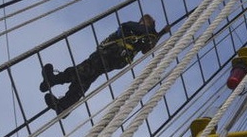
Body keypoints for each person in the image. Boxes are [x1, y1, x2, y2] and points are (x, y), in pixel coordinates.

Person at [41, 15, 169, 113]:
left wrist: (157, 33)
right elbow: (145, 45)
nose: (143, 23)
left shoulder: (142, 32)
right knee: (86, 78)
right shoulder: (143, 33)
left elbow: (137, 38)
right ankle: (64, 106)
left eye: (144, 22)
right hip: (117, 58)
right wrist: (159, 33)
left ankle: (53, 80)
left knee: (85, 69)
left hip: (113, 53)